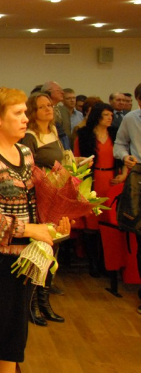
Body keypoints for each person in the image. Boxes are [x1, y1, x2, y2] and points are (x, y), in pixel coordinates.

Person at [0, 87, 70, 373]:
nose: (26, 118)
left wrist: (54, 222)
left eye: (25, 112)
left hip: (23, 259)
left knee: (12, 342)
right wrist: (31, 230)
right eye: (19, 113)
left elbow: (34, 204)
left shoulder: (24, 152)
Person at [21, 92, 68, 325]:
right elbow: (28, 170)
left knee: (52, 252)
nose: (49, 109)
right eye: (42, 106)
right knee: (41, 252)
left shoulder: (54, 131)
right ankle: (32, 304)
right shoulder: (30, 136)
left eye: (50, 105)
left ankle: (45, 302)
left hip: (56, 198)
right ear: (33, 111)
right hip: (40, 199)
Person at [74, 102, 128, 282]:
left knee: (108, 224)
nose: (110, 118)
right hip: (92, 181)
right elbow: (77, 160)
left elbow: (123, 155)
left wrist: (123, 174)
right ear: (97, 116)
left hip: (111, 180)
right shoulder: (84, 135)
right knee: (92, 225)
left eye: (111, 115)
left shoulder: (115, 133)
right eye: (106, 115)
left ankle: (106, 263)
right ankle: (93, 263)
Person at [113, 82, 141, 315]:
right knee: (140, 234)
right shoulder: (131, 119)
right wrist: (125, 157)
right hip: (139, 177)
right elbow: (119, 144)